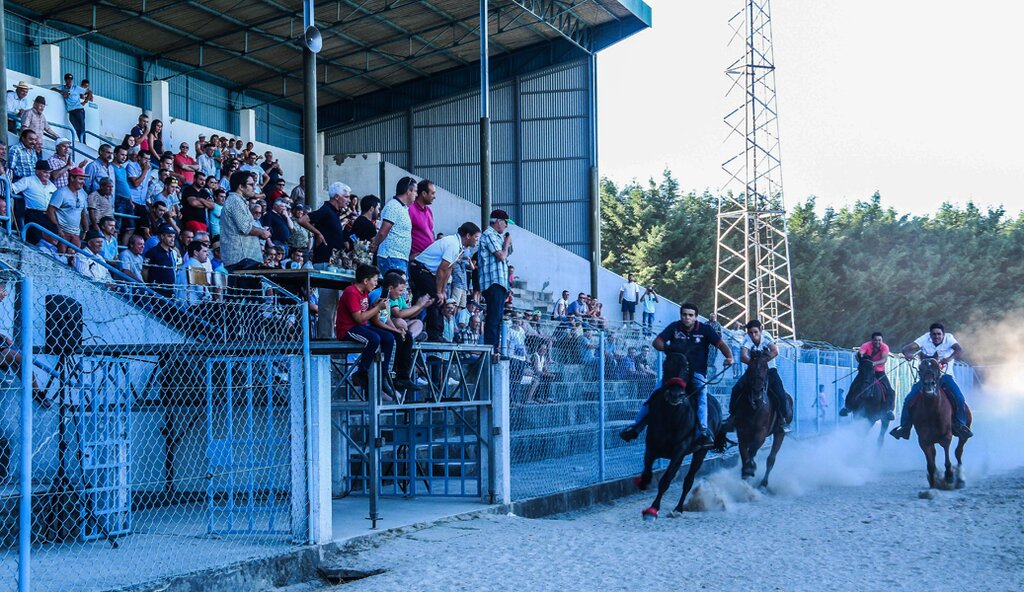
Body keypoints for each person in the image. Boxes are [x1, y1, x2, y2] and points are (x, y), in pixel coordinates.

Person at [620, 302, 734, 448]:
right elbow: (657, 342)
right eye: (684, 315)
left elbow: (721, 344)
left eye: (690, 315)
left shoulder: (705, 330)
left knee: (702, 398)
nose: (687, 318)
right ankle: (635, 427)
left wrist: (729, 357)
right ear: (681, 315)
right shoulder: (674, 327)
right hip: (675, 375)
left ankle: (703, 431)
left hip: (697, 373)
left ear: (696, 317)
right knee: (654, 395)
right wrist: (668, 348)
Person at [890, 323, 973, 440]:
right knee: (908, 399)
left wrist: (948, 359)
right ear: (930, 335)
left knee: (959, 398)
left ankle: (960, 425)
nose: (936, 336)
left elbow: (959, 350)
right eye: (934, 334)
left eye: (939, 334)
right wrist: (908, 354)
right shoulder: (924, 339)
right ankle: (904, 428)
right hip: (926, 378)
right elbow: (906, 348)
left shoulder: (949, 338)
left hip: (945, 376)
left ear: (943, 334)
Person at [411, 222, 482, 342]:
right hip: (421, 270)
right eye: (476, 237)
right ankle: (432, 335)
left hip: (428, 272)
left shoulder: (459, 246)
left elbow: (449, 269)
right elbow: (442, 269)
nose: (477, 241)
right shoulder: (453, 244)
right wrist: (439, 291)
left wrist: (443, 290)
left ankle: (428, 332)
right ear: (468, 235)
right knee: (435, 300)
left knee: (438, 299)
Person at [335, 264, 396, 398]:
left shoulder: (365, 293)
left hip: (361, 326)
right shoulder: (351, 291)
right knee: (373, 339)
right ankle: (361, 372)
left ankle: (383, 374)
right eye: (374, 280)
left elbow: (365, 314)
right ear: (366, 281)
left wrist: (374, 306)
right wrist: (378, 308)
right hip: (347, 329)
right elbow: (358, 318)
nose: (376, 283)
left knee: (389, 338)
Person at [724, 320, 793, 432]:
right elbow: (743, 356)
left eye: (755, 332)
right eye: (750, 332)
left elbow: (775, 351)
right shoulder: (747, 338)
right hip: (752, 371)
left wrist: (762, 361)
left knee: (780, 392)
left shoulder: (766, 337)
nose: (753, 335)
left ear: (761, 330)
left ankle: (782, 419)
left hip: (769, 370)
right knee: (736, 389)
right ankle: (732, 417)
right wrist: (754, 364)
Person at [478, 209, 513, 358]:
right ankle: (491, 349)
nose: (506, 226)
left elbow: (508, 253)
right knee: (493, 318)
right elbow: (501, 255)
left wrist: (506, 243)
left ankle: (495, 348)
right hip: (493, 282)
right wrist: (506, 243)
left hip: (500, 283)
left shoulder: (497, 236)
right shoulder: (489, 234)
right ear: (498, 221)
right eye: (505, 223)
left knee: (497, 318)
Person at [220, 171, 271, 270]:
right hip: (242, 259)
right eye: (251, 184)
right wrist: (262, 232)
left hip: (244, 259)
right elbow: (245, 228)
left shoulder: (238, 201)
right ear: (241, 186)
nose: (254, 188)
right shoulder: (235, 201)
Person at [840, 331, 896, 419]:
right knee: (853, 386)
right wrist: (861, 356)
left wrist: (874, 363)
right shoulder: (866, 345)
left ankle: (888, 410)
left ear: (882, 340)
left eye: (879, 340)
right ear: (872, 340)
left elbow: (884, 359)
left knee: (889, 390)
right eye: (875, 340)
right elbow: (861, 353)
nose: (877, 342)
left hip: (879, 371)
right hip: (866, 371)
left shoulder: (885, 347)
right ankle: (848, 407)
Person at [370, 176, 416, 276]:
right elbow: (383, 231)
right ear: (409, 191)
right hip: (392, 257)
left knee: (395, 290)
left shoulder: (403, 208)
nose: (416, 195)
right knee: (397, 290)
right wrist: (375, 244)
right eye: (415, 191)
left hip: (398, 257)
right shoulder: (393, 206)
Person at [143, 223, 183, 298]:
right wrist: (150, 285)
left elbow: (178, 267)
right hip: (157, 291)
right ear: (162, 236)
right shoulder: (152, 252)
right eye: (169, 236)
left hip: (171, 290)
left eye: (173, 237)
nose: (172, 239)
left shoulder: (173, 252)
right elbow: (144, 270)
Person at [52, 73, 89, 140]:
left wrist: (85, 102)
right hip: (71, 112)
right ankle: (81, 141)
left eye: (71, 79)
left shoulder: (76, 88)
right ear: (65, 80)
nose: (70, 81)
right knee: (77, 128)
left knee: (82, 128)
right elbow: (52, 89)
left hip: (79, 110)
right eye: (68, 79)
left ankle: (83, 143)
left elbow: (89, 92)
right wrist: (61, 91)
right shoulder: (63, 87)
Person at [409, 179, 436, 259]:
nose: (434, 197)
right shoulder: (410, 209)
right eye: (432, 193)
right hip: (415, 259)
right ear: (424, 193)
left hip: (427, 258)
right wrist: (409, 256)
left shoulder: (429, 211)